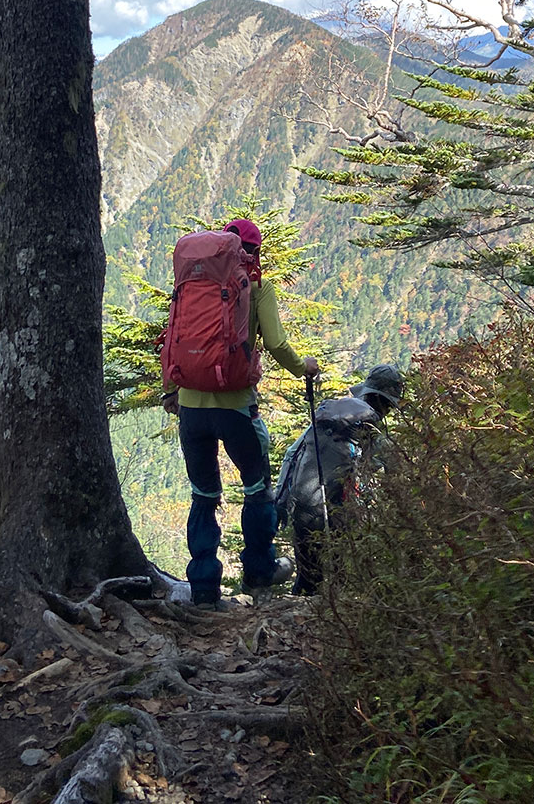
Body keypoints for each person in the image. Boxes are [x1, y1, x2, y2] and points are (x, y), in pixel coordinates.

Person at [161, 217, 319, 609]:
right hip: (236, 408)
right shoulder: (257, 288)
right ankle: (259, 573)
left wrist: (171, 392)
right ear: (255, 251)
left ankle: (203, 588)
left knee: (203, 494)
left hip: (192, 409)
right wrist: (305, 368)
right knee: (255, 488)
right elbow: (278, 344)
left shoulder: (191, 284)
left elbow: (172, 341)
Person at [275, 363, 404, 596]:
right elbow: (393, 472)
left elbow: (292, 454)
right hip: (334, 513)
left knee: (308, 578)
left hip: (301, 504)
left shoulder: (330, 415)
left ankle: (298, 619)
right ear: (384, 402)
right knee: (338, 582)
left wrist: (280, 502)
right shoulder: (370, 427)